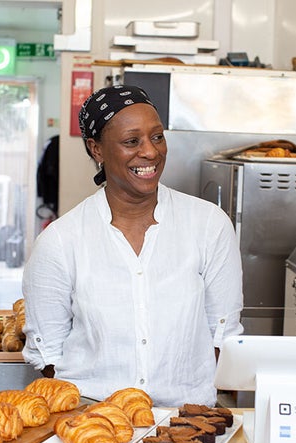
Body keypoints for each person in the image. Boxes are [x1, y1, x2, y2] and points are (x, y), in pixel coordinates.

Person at [21, 84, 243, 407]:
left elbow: (223, 337)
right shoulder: (61, 242)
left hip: (185, 423)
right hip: (93, 419)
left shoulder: (209, 226)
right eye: (131, 141)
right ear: (96, 149)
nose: (151, 152)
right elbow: (48, 355)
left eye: (157, 137)